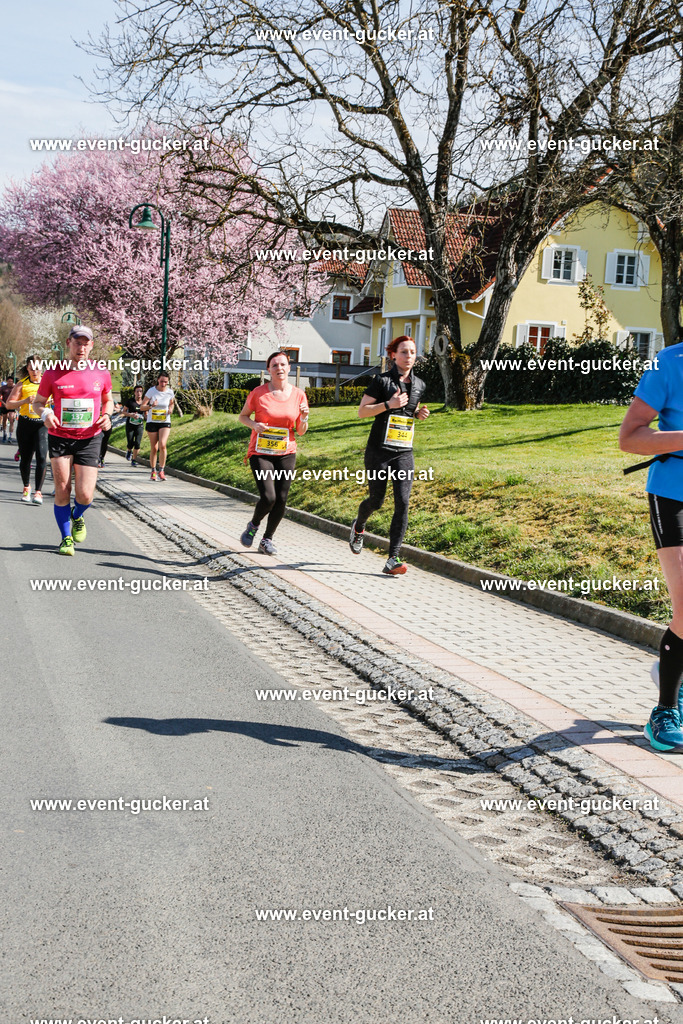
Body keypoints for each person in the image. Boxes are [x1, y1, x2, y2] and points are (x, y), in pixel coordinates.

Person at [620, 345, 683, 750]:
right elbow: (630, 437)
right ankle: (664, 710)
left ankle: (673, 671)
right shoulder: (670, 362)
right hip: (674, 495)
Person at [348, 335, 429, 575]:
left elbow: (408, 412)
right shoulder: (381, 381)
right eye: (404, 352)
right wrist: (388, 405)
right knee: (377, 500)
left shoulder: (419, 384)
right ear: (393, 355)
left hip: (403, 452)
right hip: (378, 452)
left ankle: (393, 558)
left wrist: (418, 415)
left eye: (412, 352)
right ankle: (359, 526)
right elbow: (362, 411)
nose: (409, 356)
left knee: (403, 503)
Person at [33, 325, 113, 556]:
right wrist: (46, 414)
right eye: (77, 342)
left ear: (92, 346)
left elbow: (108, 400)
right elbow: (38, 402)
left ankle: (77, 516)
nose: (81, 347)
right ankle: (66, 539)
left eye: (86, 343)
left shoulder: (101, 371)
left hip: (89, 438)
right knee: (62, 488)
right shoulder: (53, 372)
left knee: (85, 494)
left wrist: (107, 416)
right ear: (68, 343)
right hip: (60, 437)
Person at [237, 351, 309, 555]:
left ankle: (267, 539)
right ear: (269, 370)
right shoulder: (258, 393)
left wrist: (304, 418)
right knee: (269, 497)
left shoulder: (299, 394)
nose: (279, 368)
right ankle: (253, 525)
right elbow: (242, 416)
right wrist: (253, 424)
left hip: (286, 452)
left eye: (283, 364)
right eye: (275, 365)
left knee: (282, 498)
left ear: (289, 368)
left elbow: (301, 431)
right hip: (261, 452)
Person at [4, 357, 48, 504]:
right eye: (31, 368)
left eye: (37, 368)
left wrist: (50, 402)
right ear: (27, 369)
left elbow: (59, 399)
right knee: (26, 459)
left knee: (42, 456)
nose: (35, 371)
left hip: (42, 423)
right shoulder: (22, 384)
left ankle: (38, 492)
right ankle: (26, 487)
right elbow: (9, 405)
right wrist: (25, 401)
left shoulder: (47, 383)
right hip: (25, 423)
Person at [140, 372, 174, 481]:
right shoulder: (151, 391)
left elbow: (172, 403)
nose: (163, 384)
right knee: (154, 447)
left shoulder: (170, 392)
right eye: (161, 381)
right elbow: (142, 407)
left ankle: (162, 470)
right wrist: (150, 406)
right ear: (158, 381)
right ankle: (153, 470)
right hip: (152, 421)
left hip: (164, 420)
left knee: (162, 445)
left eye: (165, 382)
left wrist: (170, 409)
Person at [121, 385, 145, 466]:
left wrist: (145, 417)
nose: (139, 393)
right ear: (134, 392)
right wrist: (131, 415)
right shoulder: (130, 401)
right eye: (137, 391)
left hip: (139, 425)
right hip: (130, 424)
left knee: (137, 443)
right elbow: (123, 411)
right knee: (130, 442)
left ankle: (134, 460)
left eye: (140, 391)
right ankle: (129, 451)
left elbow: (146, 413)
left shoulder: (144, 402)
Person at [1, 377, 16, 443]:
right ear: (7, 381)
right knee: (4, 420)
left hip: (12, 405)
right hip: (4, 406)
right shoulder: (3, 388)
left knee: (11, 419)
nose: (10, 382)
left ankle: (10, 436)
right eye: (9, 381)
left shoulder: (15, 388)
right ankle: (4, 434)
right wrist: (4, 404)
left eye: (12, 381)